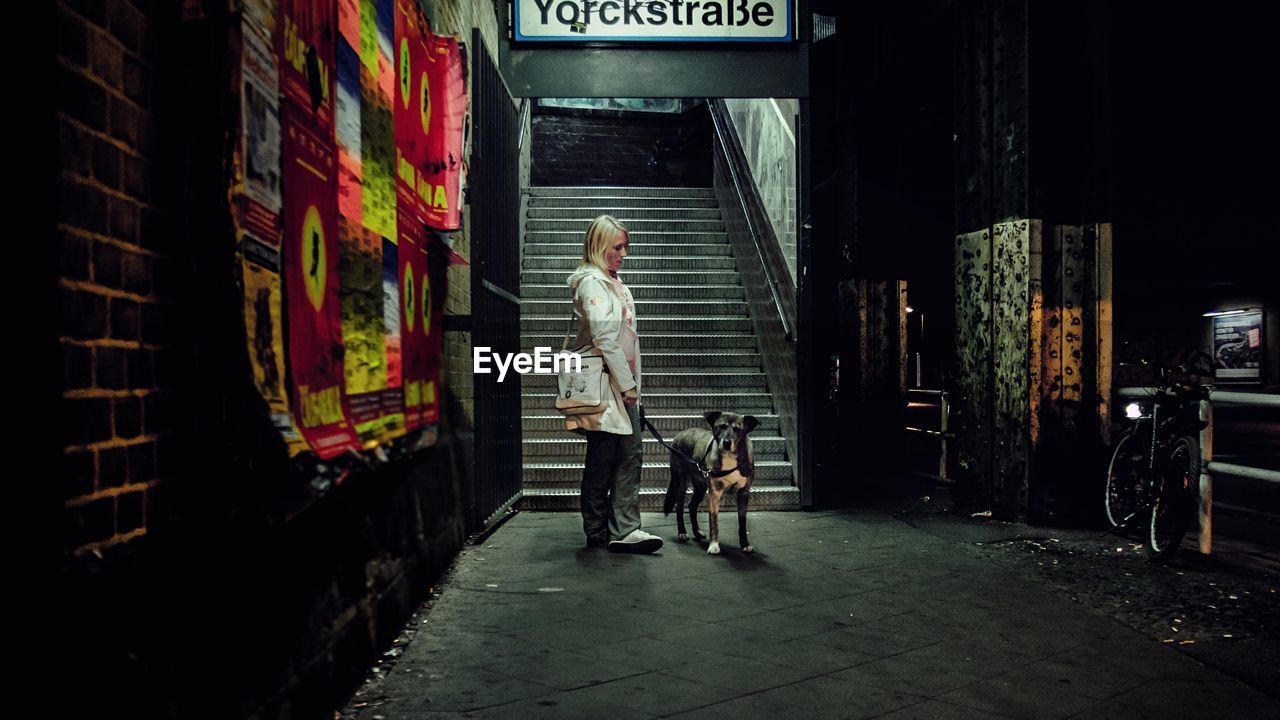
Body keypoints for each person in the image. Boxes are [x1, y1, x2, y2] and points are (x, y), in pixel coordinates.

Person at [565, 215, 663, 554]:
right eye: (617, 247)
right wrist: (628, 386)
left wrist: (634, 385)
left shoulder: (613, 281)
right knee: (608, 457)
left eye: (625, 246)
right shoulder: (592, 282)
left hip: (619, 385)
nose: (623, 253)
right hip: (607, 386)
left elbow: (627, 341)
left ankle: (619, 529)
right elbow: (606, 338)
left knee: (624, 455)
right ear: (598, 246)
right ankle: (602, 530)